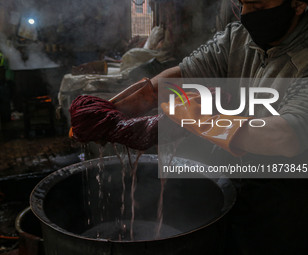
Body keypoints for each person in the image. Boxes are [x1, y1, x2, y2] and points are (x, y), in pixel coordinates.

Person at [70, 0, 308, 254]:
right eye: (242, 5)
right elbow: (181, 77)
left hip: (289, 198)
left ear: (297, 4)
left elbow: (286, 135)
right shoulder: (238, 38)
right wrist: (111, 115)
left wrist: (200, 121)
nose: (247, 16)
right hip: (238, 179)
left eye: (259, 7)